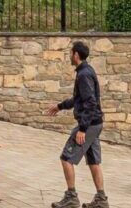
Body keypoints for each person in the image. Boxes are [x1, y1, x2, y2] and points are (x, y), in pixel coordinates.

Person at [45, 40, 105, 208]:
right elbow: (78, 99)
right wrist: (59, 106)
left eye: (70, 53)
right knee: (93, 161)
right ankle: (101, 200)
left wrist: (83, 129)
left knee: (66, 158)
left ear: (76, 55)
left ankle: (71, 197)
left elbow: (90, 102)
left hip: (90, 124)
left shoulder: (84, 74)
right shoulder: (86, 70)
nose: (69, 56)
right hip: (96, 123)